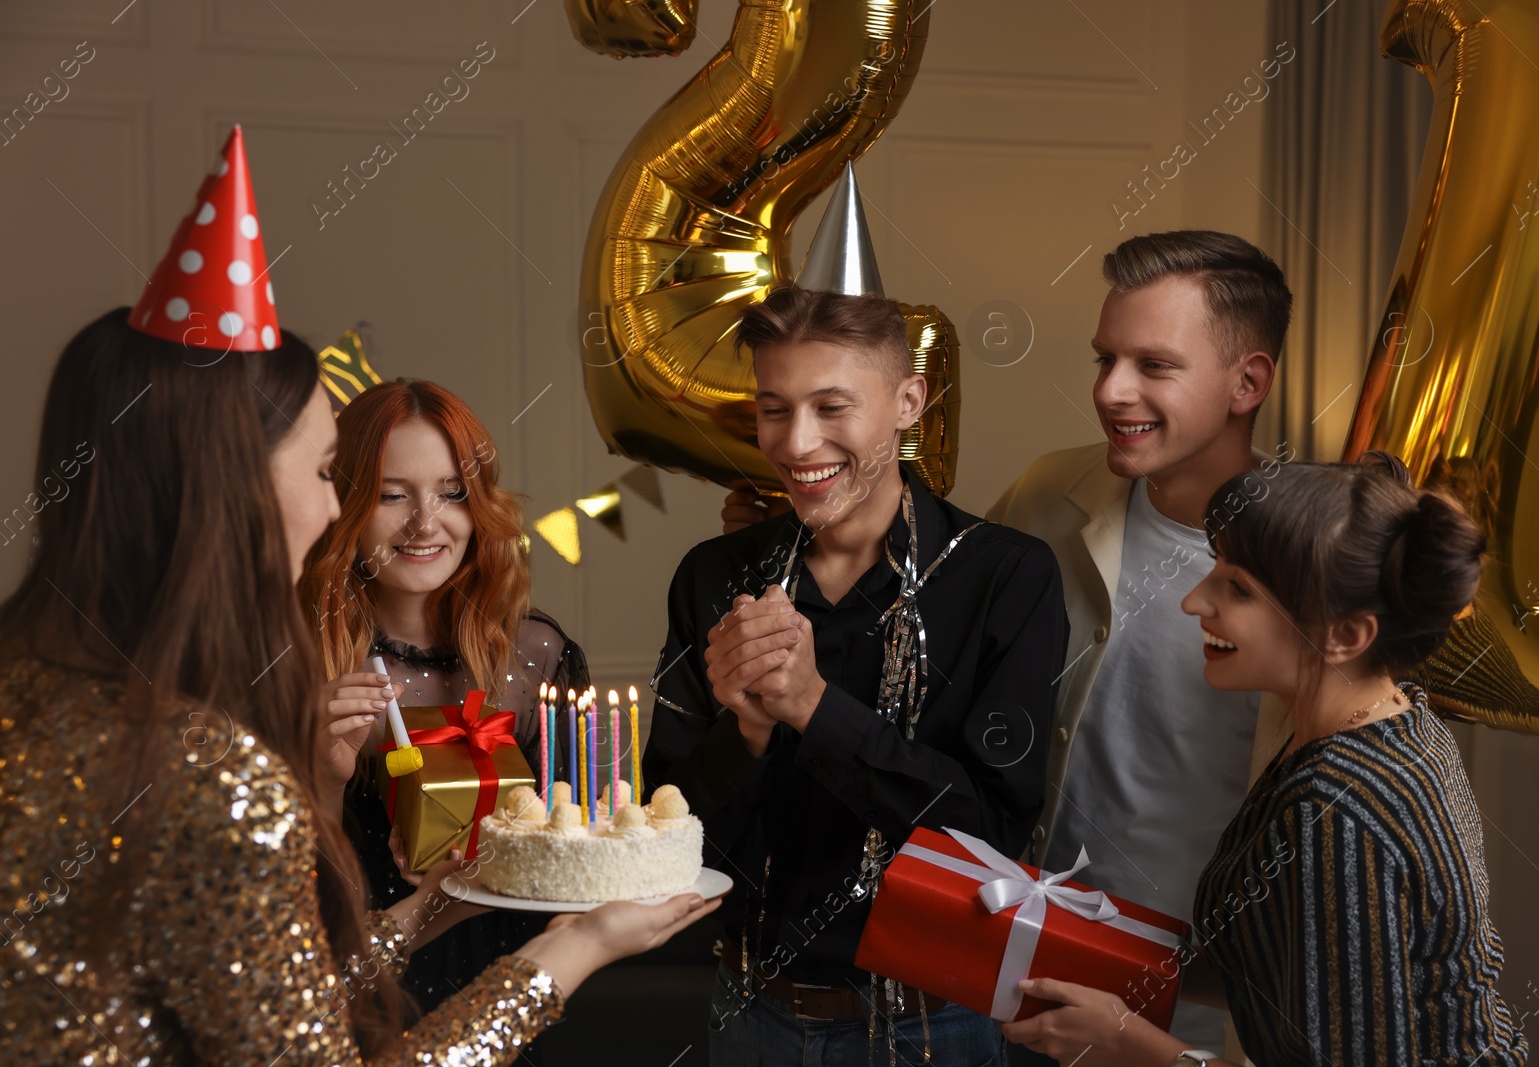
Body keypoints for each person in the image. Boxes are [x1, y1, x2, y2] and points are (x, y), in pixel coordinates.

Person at [0, 129, 716, 1065]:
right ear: (231, 492)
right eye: (332, 472)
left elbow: (269, 989)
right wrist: (574, 947)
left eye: (450, 491)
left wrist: (439, 901)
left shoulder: (34, 693)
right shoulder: (212, 774)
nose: (326, 505)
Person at [646, 283, 1067, 1065]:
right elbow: (667, 831)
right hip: (749, 1012)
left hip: (933, 1025)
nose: (798, 443)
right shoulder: (714, 576)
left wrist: (812, 705)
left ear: (908, 400)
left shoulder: (1004, 577)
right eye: (775, 409)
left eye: (832, 407)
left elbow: (994, 834)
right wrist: (746, 731)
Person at [1001, 456, 1529, 1067]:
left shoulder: (1340, 808)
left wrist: (1124, 1044)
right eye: (1215, 568)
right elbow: (1287, 969)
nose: (1195, 601)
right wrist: (1096, 948)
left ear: (1346, 635)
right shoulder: (1390, 720)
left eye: (1239, 588)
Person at [984, 231, 1294, 1054]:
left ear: (1247, 382)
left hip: (1201, 1017)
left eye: (1154, 365)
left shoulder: (1317, 569)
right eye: (1104, 359)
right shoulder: (1047, 492)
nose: (1112, 390)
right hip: (1019, 973)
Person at [298, 378, 589, 1013]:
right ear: (344, 505)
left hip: (513, 976)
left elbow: (583, 845)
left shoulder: (536, 654)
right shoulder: (295, 662)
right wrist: (323, 779)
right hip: (358, 983)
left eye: (453, 494)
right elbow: (275, 900)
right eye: (391, 495)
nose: (425, 523)